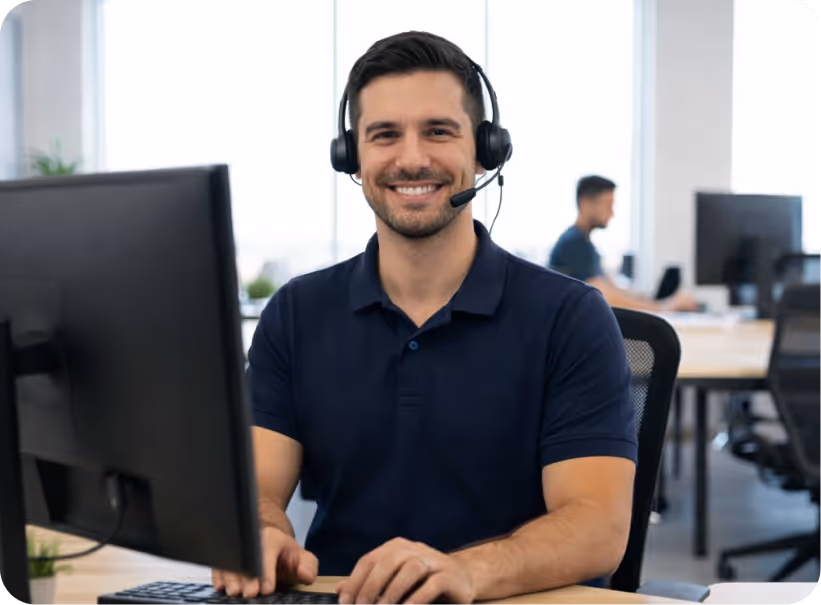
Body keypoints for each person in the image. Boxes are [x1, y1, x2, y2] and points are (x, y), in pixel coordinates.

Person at [213, 32, 637, 605]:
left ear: (485, 149)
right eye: (384, 135)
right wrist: (263, 536)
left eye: (439, 131)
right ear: (351, 157)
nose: (412, 158)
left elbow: (598, 527)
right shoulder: (295, 312)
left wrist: (465, 571)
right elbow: (256, 490)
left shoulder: (569, 316)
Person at [549, 175, 699, 312]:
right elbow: (602, 296)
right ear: (586, 203)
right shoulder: (574, 244)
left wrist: (652, 300)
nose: (612, 213)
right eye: (608, 205)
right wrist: (663, 307)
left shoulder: (586, 244)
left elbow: (612, 289)